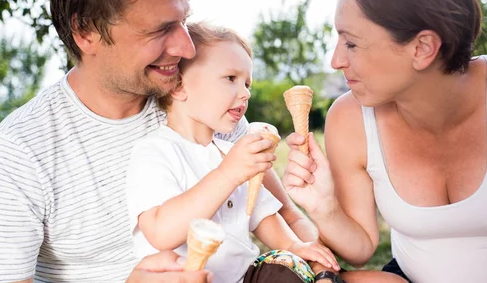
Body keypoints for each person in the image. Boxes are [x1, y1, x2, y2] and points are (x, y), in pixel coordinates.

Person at [0, 0, 317, 283]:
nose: (186, 48)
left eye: (183, 22)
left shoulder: (201, 105)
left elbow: (286, 219)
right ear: (86, 32)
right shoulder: (21, 152)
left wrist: (315, 269)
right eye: (160, 30)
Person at [282, 0, 487, 283]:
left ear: (422, 48)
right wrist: (324, 207)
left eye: (352, 43)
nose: (336, 60)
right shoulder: (350, 118)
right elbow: (361, 246)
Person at [125, 22, 338, 283]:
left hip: (245, 277)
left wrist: (294, 246)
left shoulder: (232, 153)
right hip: (186, 278)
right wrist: (227, 175)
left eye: (247, 83)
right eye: (231, 79)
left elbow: (263, 216)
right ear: (179, 85)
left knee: (285, 271)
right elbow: (160, 231)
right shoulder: (154, 152)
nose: (246, 93)